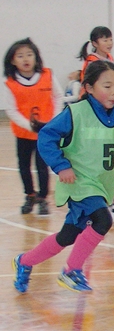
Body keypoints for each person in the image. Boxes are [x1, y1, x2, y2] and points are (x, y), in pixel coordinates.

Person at [11, 60, 114, 294]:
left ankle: (24, 262)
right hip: (78, 182)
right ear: (89, 88)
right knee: (104, 221)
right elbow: (46, 137)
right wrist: (61, 166)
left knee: (67, 236)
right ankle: (72, 270)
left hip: (102, 184)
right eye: (107, 86)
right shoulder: (76, 113)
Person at [3, 38, 64, 215]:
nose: (25, 59)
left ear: (36, 57)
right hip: (24, 133)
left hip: (46, 133)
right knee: (24, 166)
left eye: (29, 54)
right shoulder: (10, 83)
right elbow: (11, 110)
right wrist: (30, 126)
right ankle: (29, 195)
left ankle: (43, 198)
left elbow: (59, 97)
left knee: (42, 166)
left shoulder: (47, 75)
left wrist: (53, 121)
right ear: (13, 60)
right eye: (20, 56)